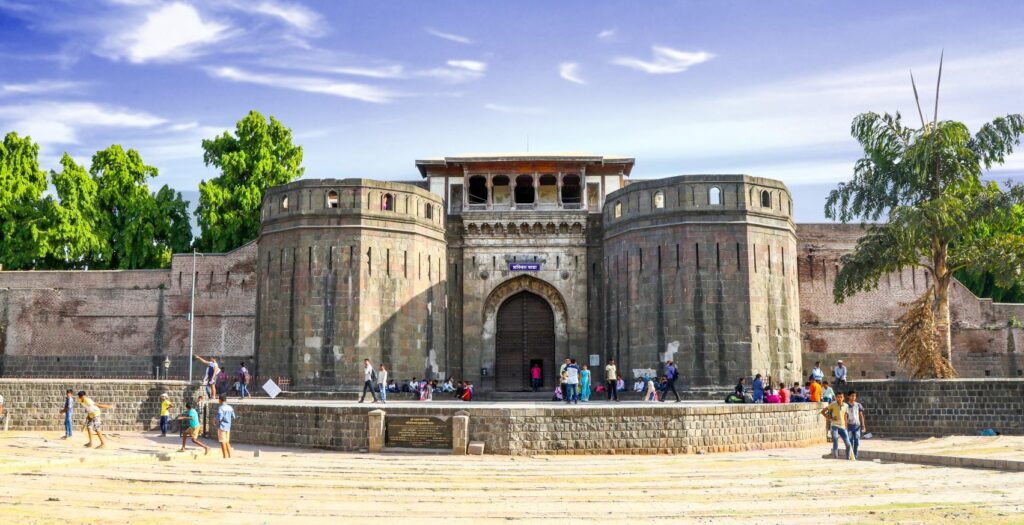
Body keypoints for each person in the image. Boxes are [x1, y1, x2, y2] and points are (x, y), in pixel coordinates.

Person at [821, 391, 851, 460]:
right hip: (835, 426)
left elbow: (845, 417)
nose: (839, 398)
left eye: (841, 397)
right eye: (838, 397)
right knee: (835, 439)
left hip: (843, 426)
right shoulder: (833, 404)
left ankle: (848, 458)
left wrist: (846, 427)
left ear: (843, 398)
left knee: (848, 444)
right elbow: (823, 412)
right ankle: (835, 458)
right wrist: (830, 418)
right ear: (836, 398)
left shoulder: (846, 405)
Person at [846, 390, 867, 460]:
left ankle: (855, 456)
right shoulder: (846, 406)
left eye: (854, 396)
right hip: (849, 426)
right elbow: (845, 417)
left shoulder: (858, 405)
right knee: (850, 441)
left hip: (857, 426)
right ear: (848, 396)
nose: (853, 397)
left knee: (857, 441)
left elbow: (861, 415)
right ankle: (850, 456)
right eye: (852, 396)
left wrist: (863, 425)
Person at [215, 394, 235, 459]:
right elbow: (233, 416)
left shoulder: (220, 408)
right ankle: (230, 456)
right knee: (226, 441)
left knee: (222, 441)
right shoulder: (230, 407)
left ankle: (225, 456)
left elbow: (220, 418)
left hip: (222, 426)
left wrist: (216, 420)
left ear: (220, 400)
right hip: (228, 427)